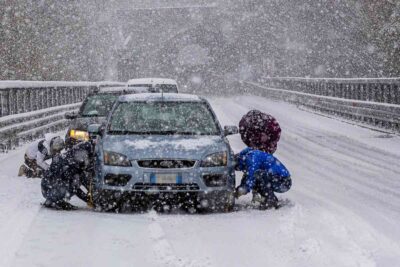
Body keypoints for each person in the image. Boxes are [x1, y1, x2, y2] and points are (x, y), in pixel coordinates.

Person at [235, 110, 292, 209]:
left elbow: (251, 174)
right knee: (257, 174)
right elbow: (248, 174)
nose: (240, 169)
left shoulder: (252, 158)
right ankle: (261, 196)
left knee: (258, 174)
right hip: (277, 177)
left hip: (283, 182)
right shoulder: (248, 154)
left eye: (238, 168)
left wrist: (244, 189)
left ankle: (270, 200)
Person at [41, 141, 93, 210]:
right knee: (74, 183)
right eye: (86, 156)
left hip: (46, 188)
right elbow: (76, 188)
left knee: (76, 179)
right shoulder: (71, 165)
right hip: (50, 189)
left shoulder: (68, 157)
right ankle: (57, 200)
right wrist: (88, 199)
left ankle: (52, 199)